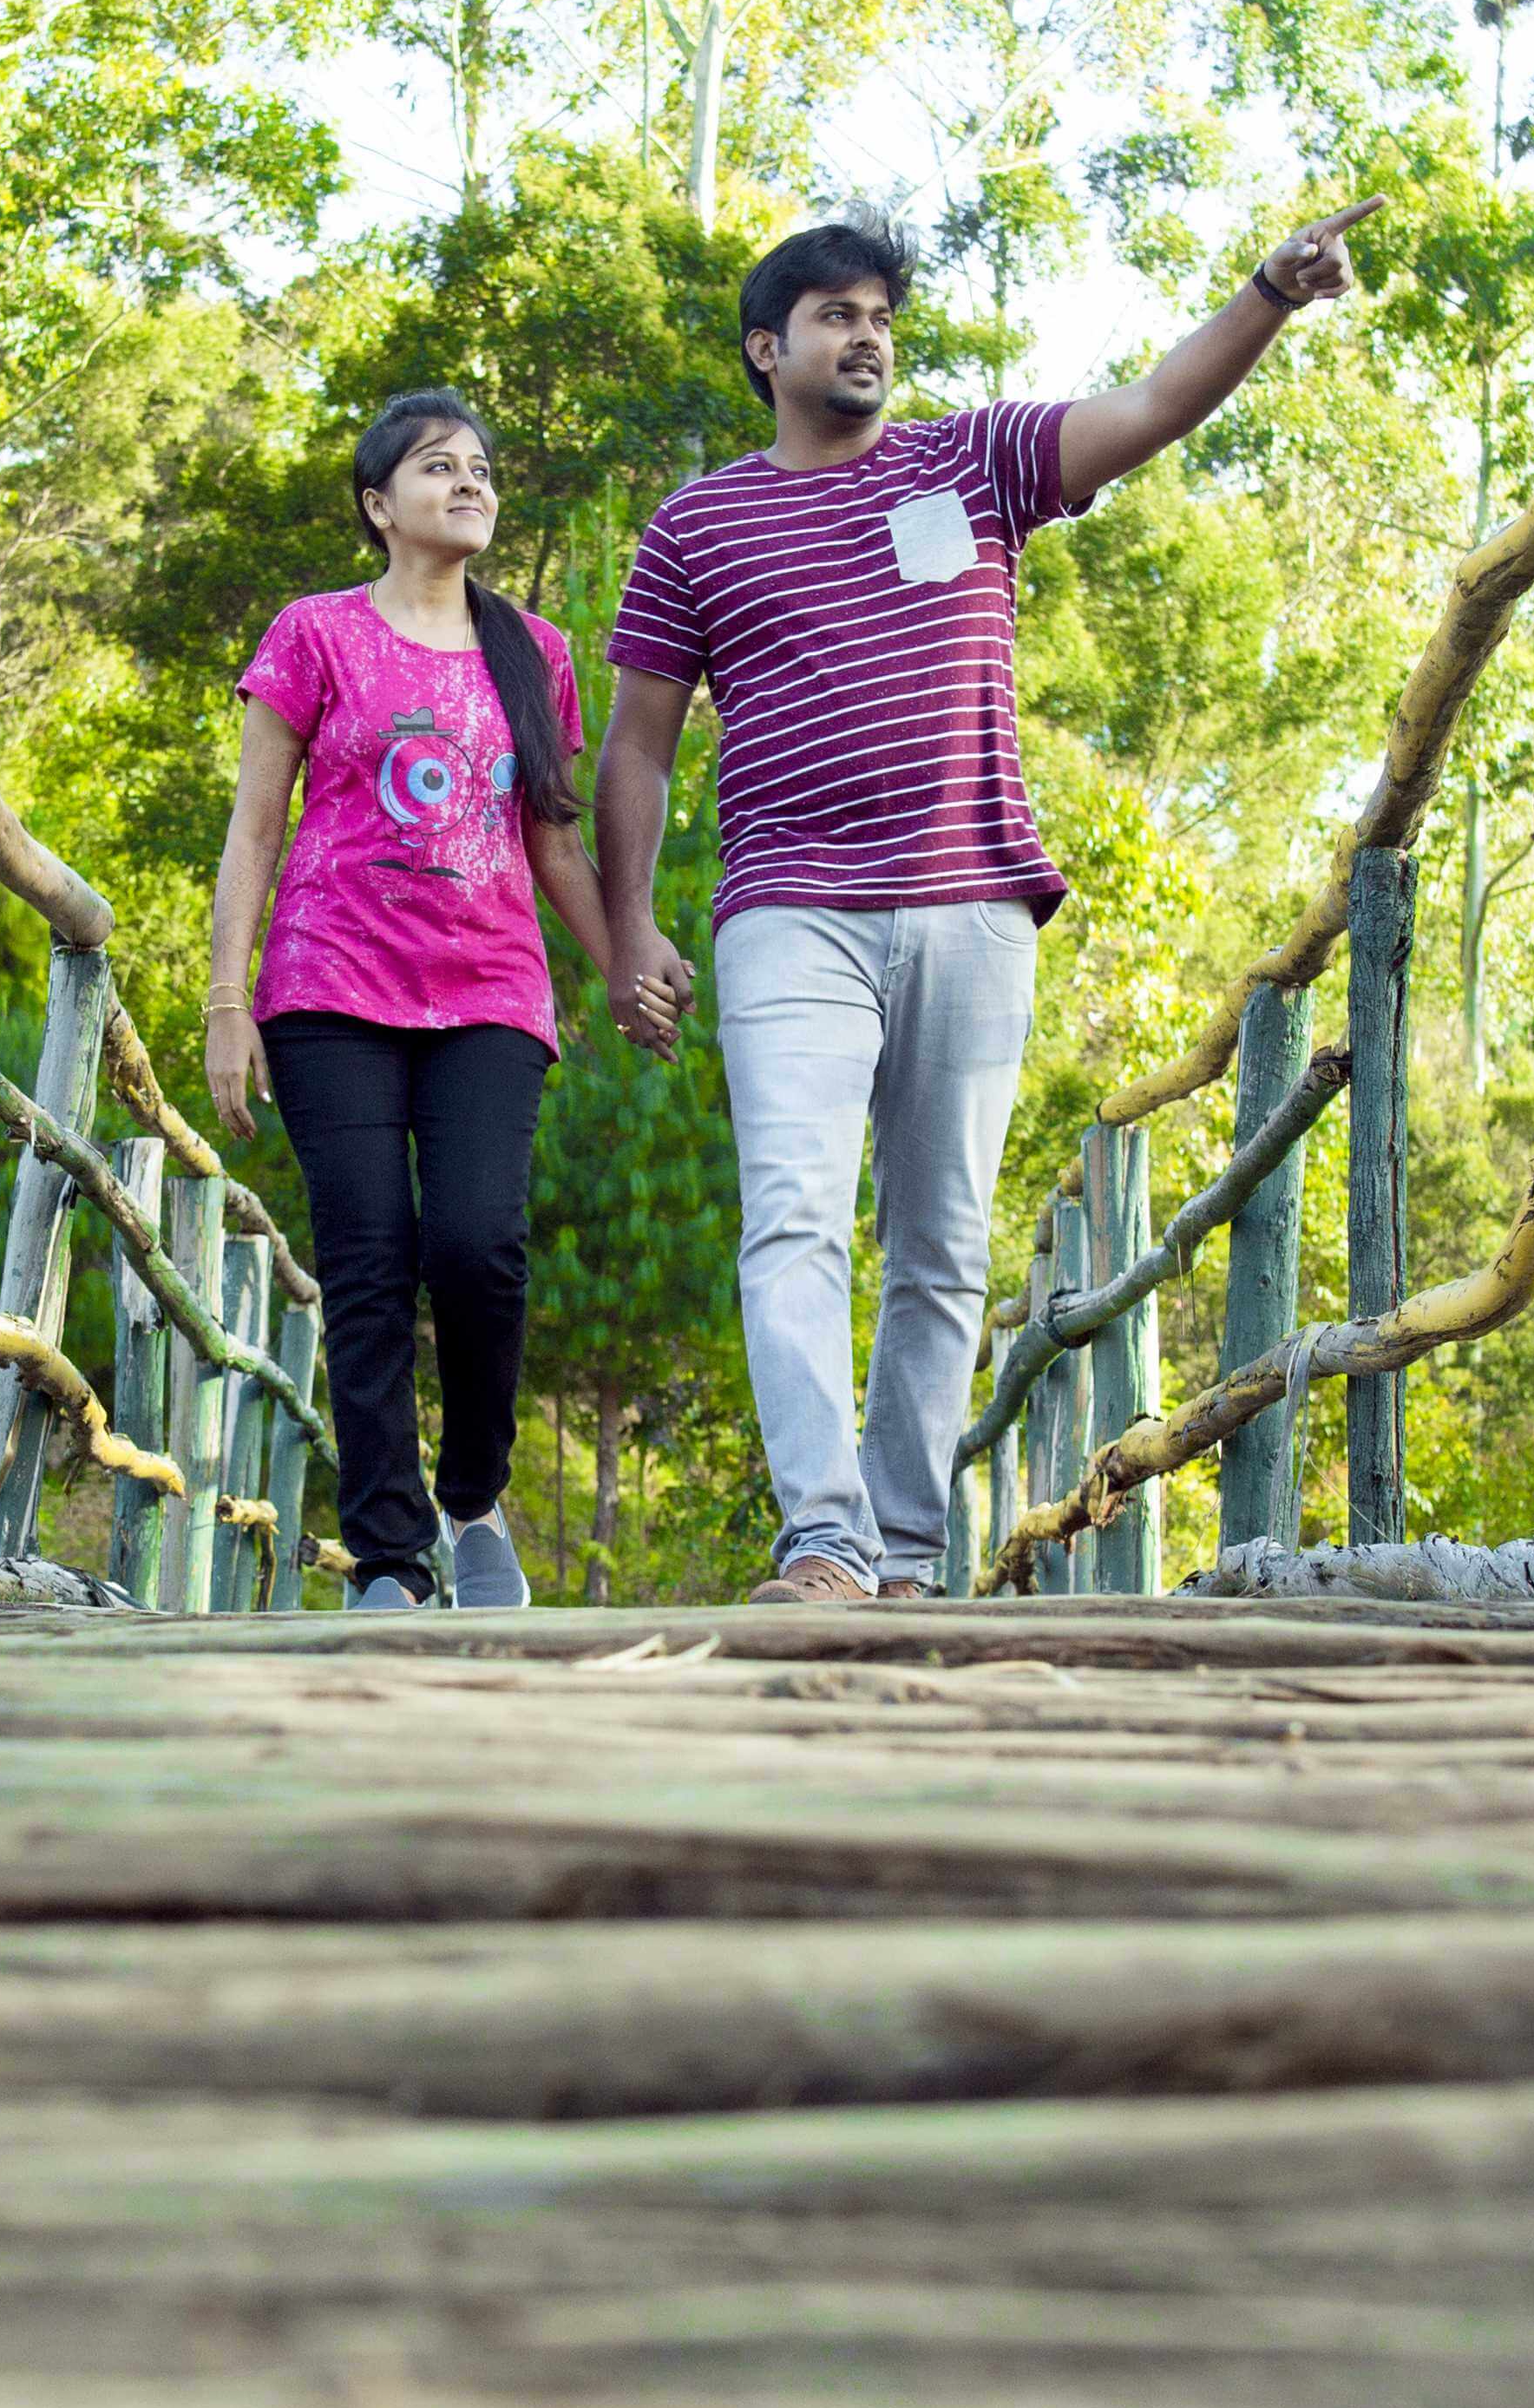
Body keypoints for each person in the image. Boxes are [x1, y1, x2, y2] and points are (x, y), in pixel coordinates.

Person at [595, 200, 1383, 1602]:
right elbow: (639, 744)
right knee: (793, 1215)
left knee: (943, 1242)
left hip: (973, 903)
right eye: (838, 316)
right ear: (768, 349)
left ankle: (903, 1553)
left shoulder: (977, 461)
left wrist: (1269, 292)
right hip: (792, 912)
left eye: (882, 319)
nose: (868, 338)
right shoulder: (697, 524)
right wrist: (631, 924)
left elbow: (1150, 405)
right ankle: (823, 1541)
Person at [209, 390, 614, 1611]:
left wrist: (624, 967)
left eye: (481, 468)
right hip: (329, 986)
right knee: (370, 1260)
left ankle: (473, 1497)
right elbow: (252, 828)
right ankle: (388, 1557)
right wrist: (228, 1002)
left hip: (490, 991)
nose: (471, 483)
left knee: (479, 1247)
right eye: (439, 467)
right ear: (380, 505)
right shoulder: (316, 633)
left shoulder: (532, 652)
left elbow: (552, 847)